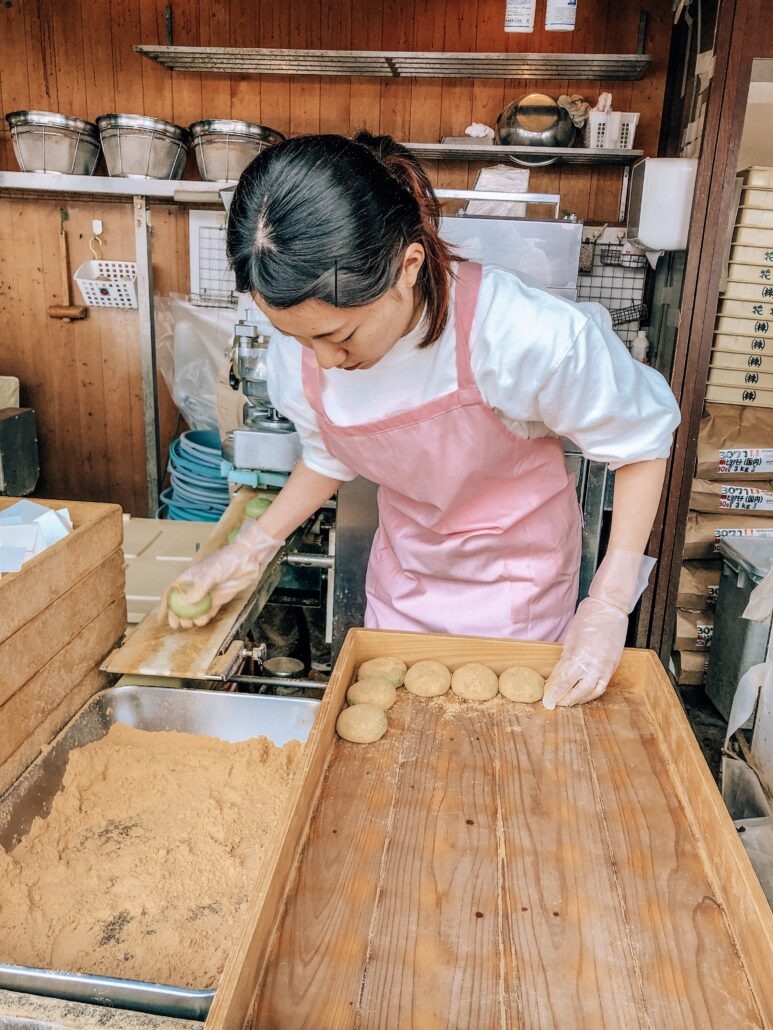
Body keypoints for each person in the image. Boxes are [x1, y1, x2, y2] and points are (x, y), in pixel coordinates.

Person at [161, 132, 680, 709]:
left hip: (518, 596)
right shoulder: (302, 349)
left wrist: (608, 602)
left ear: (407, 267)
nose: (324, 361)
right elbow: (327, 456)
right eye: (297, 338)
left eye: (339, 336)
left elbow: (641, 443)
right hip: (403, 587)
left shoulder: (520, 335)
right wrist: (252, 547)